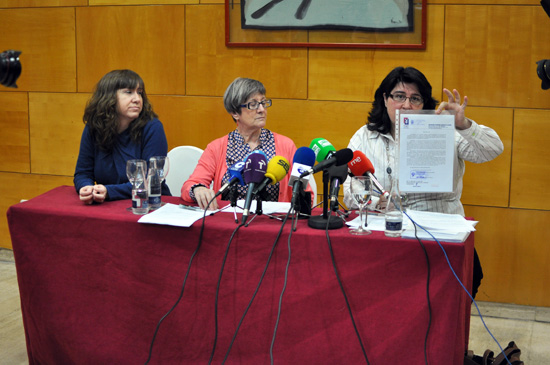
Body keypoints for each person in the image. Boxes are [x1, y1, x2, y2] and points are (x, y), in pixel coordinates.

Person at [343, 66, 504, 298]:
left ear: (424, 103)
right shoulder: (365, 135)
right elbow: (351, 188)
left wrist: (463, 125)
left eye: (415, 98)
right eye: (399, 96)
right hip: (387, 239)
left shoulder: (445, 129)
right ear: (385, 99)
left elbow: (492, 150)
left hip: (439, 238)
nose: (406, 105)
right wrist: (379, 202)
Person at [181, 77, 311, 210]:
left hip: (274, 224)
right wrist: (198, 189)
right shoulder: (216, 147)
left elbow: (307, 193)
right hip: (229, 221)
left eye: (263, 102)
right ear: (235, 113)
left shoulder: (286, 145)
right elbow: (190, 185)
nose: (261, 109)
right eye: (253, 104)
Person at [74, 69, 171, 204]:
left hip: (149, 204)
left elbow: (151, 182)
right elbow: (83, 172)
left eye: (140, 93)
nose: (137, 99)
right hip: (107, 205)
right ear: (109, 97)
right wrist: (86, 188)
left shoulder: (152, 127)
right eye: (129, 92)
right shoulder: (94, 127)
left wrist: (108, 191)